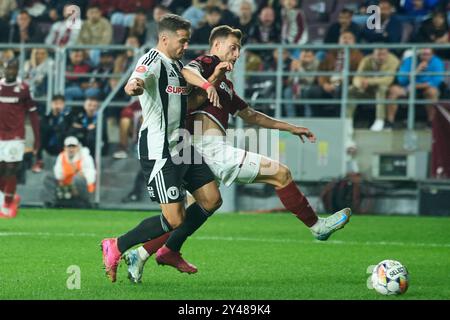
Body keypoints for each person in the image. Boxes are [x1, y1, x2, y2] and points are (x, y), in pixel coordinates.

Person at [123, 25, 352, 283]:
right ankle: (317, 227)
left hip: (197, 154)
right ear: (217, 45)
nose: (236, 54)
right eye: (232, 48)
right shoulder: (207, 62)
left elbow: (251, 115)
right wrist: (212, 80)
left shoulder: (227, 87)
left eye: (239, 50)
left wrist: (291, 128)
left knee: (187, 213)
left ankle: (143, 254)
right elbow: (188, 73)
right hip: (206, 148)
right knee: (280, 173)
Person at [100, 14, 222, 283]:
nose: (186, 45)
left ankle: (169, 250)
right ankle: (117, 245)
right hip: (160, 150)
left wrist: (211, 81)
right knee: (175, 219)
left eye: (188, 40)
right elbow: (135, 81)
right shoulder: (151, 61)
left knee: (212, 199)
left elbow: (188, 104)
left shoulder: (177, 65)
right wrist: (135, 86)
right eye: (182, 40)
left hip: (183, 145)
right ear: (164, 38)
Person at [0, 59, 40, 218]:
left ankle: (8, 204)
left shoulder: (23, 88)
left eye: (14, 69)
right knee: (1, 169)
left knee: (11, 167)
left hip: (16, 136)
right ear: (4, 68)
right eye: (8, 68)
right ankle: (9, 197)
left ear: (17, 71)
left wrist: (37, 139)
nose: (11, 71)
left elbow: (33, 114)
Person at [386, 48, 444, 128]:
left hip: (425, 87)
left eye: (428, 55)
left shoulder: (437, 62)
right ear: (418, 54)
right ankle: (389, 122)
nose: (425, 57)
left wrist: (415, 86)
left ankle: (431, 122)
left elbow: (436, 82)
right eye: (423, 54)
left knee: (432, 92)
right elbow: (402, 80)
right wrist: (417, 71)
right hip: (408, 87)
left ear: (432, 55)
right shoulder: (409, 61)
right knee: (393, 91)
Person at [347, 48, 400, 131]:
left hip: (386, 89)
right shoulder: (366, 60)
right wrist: (359, 84)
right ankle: (348, 121)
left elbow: (388, 80)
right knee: (351, 91)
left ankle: (380, 120)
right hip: (367, 89)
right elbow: (357, 77)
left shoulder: (393, 60)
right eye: (378, 55)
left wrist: (368, 81)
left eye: (383, 55)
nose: (381, 57)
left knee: (381, 88)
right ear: (373, 55)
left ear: (388, 54)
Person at [41, 136, 96, 208]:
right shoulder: (62, 156)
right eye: (69, 147)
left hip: (81, 186)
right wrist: (61, 179)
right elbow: (58, 173)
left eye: (73, 147)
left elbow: (91, 176)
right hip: (66, 183)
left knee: (77, 179)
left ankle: (85, 202)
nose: (71, 149)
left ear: (78, 147)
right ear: (65, 148)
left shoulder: (85, 157)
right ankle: (51, 202)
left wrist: (79, 173)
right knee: (48, 177)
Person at [32, 94, 71, 173]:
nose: (58, 106)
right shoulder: (46, 117)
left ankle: (66, 162)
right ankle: (39, 161)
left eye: (60, 104)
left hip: (61, 144)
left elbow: (67, 130)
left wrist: (57, 127)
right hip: (48, 144)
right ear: (51, 104)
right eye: (55, 103)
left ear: (64, 105)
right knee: (40, 134)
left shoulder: (68, 118)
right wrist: (55, 128)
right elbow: (44, 127)